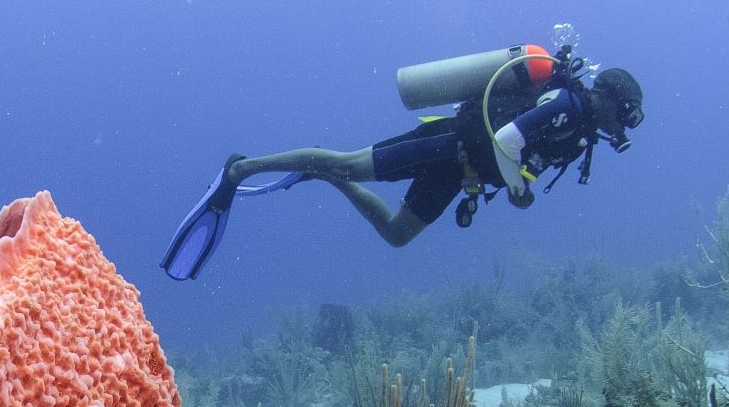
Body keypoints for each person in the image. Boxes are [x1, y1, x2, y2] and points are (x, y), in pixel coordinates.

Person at [161, 45, 644, 279]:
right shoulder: (568, 107)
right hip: (447, 143)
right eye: (624, 116)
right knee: (348, 163)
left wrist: (518, 183)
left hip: (461, 172)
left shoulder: (578, 131)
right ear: (608, 99)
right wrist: (518, 190)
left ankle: (322, 174)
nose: (620, 127)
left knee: (396, 234)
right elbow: (507, 138)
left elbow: (519, 153)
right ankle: (241, 169)